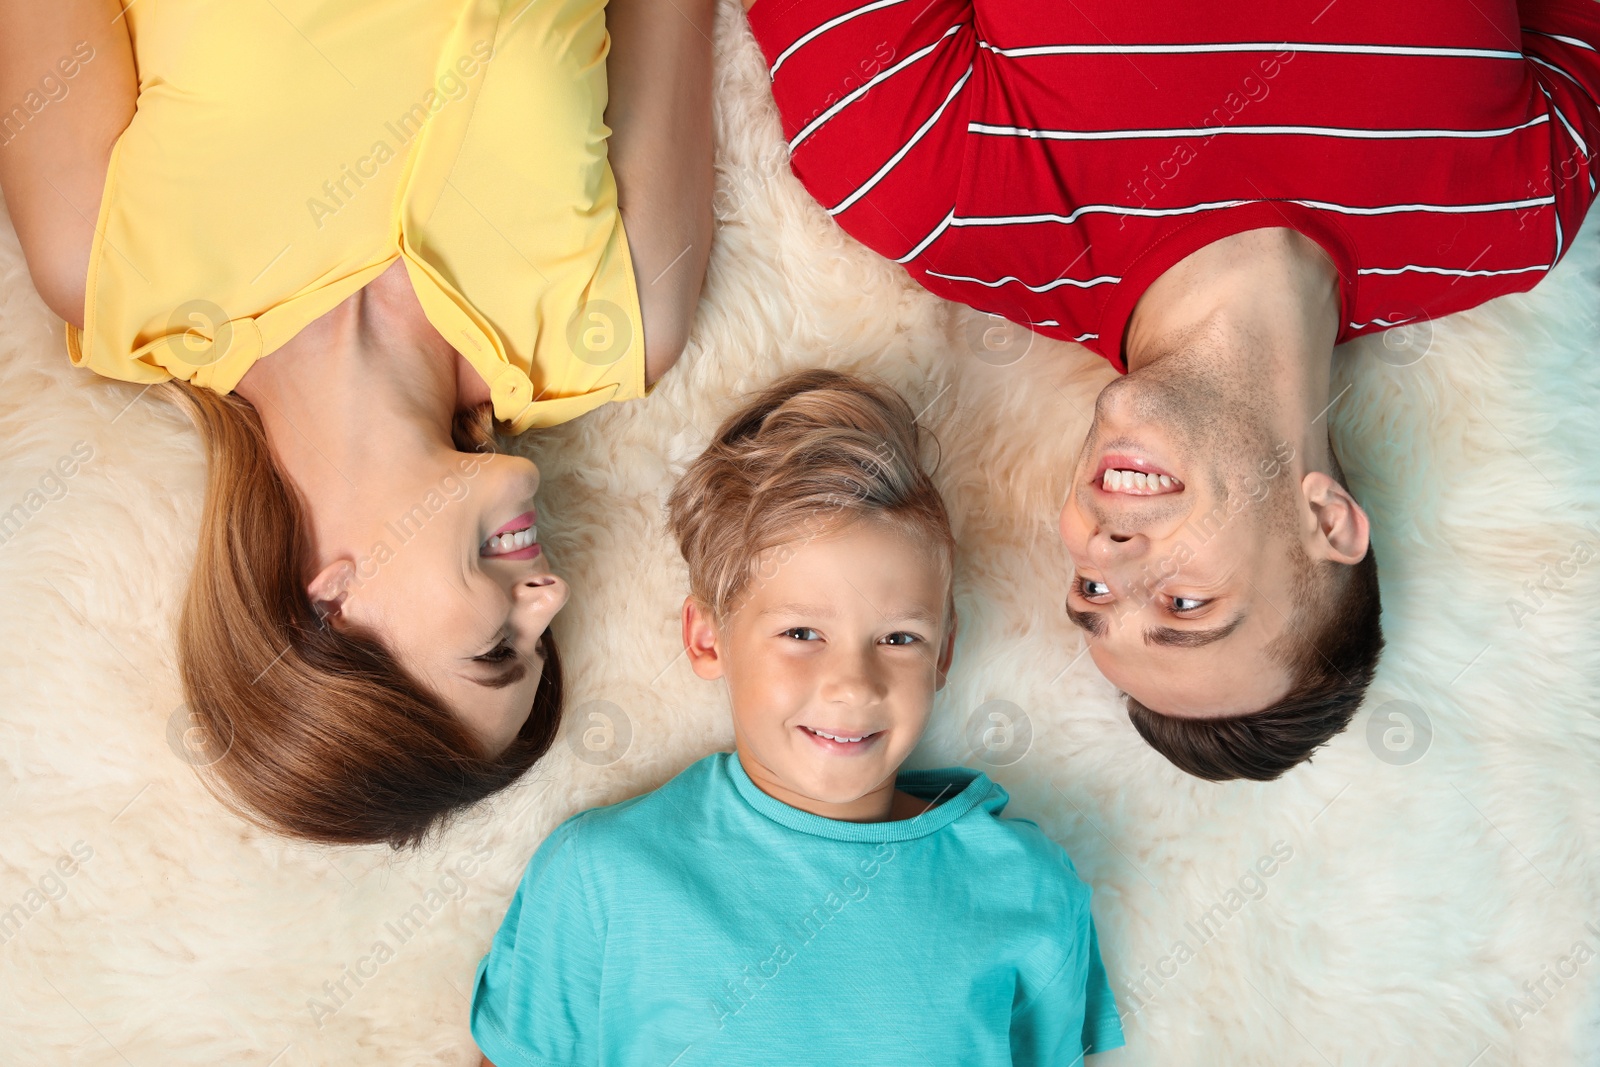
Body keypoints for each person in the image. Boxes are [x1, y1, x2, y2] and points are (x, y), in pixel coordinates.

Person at [742, 0, 1600, 779]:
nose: (1105, 553)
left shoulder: (925, 189)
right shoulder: (1518, 214)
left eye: (1092, 597)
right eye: (1185, 603)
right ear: (1327, 521)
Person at [0, 0, 713, 845]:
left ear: (332, 603)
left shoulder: (104, 268)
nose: (548, 596)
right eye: (542, 640)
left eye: (496, 649)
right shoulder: (623, 321)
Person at [470, 371, 1125, 1066]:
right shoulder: (598, 877)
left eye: (899, 638)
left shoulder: (1028, 885)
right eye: (802, 633)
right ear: (707, 638)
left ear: (945, 651)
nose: (852, 685)